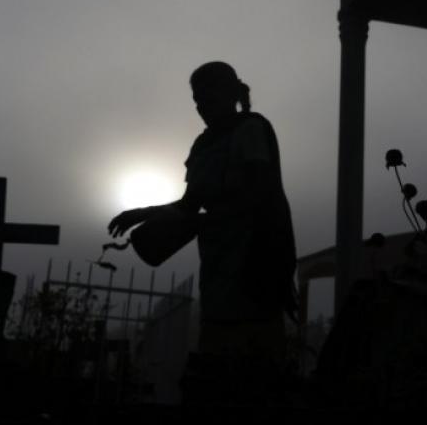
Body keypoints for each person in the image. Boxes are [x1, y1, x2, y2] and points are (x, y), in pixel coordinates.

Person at [108, 61, 298, 365]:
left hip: (255, 259)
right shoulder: (202, 145)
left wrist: (209, 219)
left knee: (253, 360)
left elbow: (260, 195)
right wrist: (142, 213)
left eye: (207, 96)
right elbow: (188, 205)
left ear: (228, 93)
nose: (201, 105)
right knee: (217, 348)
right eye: (196, 99)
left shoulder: (251, 128)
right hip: (218, 260)